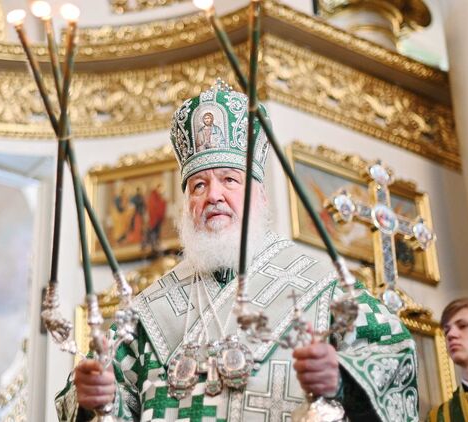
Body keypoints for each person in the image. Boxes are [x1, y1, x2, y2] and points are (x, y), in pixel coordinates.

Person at [55, 83, 419, 421]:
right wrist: (94, 397)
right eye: (199, 185)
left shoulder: (323, 289)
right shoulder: (146, 313)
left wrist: (341, 381)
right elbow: (97, 395)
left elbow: (395, 355)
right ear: (187, 204)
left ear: (259, 195)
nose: (213, 195)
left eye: (229, 179)